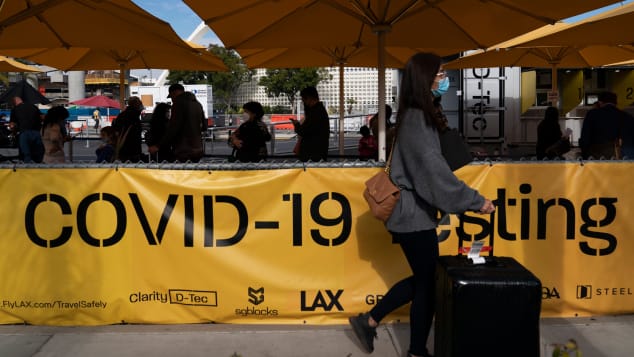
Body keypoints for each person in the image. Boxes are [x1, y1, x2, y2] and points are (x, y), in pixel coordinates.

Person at [348, 52, 496, 357]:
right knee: (428, 285)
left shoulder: (418, 114)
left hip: (413, 215)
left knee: (425, 279)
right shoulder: (417, 118)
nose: (445, 79)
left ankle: (370, 320)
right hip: (412, 217)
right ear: (425, 78)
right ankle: (415, 351)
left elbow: (433, 165)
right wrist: (474, 200)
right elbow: (432, 173)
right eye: (440, 74)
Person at [148, 83, 207, 162]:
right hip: (198, 148)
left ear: (173, 93)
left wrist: (158, 146)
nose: (172, 100)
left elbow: (173, 127)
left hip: (184, 149)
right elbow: (204, 126)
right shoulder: (197, 104)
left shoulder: (178, 103)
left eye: (171, 97)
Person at [579, 91, 626, 159]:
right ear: (616, 103)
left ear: (600, 102)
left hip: (594, 152)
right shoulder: (622, 115)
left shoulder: (592, 114)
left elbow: (585, 136)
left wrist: (584, 153)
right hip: (614, 153)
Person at [290, 86, 330, 162]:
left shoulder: (315, 113)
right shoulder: (320, 110)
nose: (303, 101)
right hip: (318, 153)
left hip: (312, 156)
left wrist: (296, 125)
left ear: (309, 98)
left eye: (303, 99)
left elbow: (304, 131)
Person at [9, 96, 44, 163]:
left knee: (26, 155)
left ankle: (27, 170)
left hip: (24, 133)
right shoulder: (33, 107)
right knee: (38, 155)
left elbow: (12, 125)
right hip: (36, 133)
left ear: (14, 102)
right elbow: (42, 117)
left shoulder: (15, 109)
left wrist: (13, 132)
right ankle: (39, 170)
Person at [111, 96, 143, 162]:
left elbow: (116, 129)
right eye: (140, 103)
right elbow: (135, 134)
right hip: (133, 150)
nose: (142, 106)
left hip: (122, 149)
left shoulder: (122, 115)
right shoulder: (134, 116)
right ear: (136, 105)